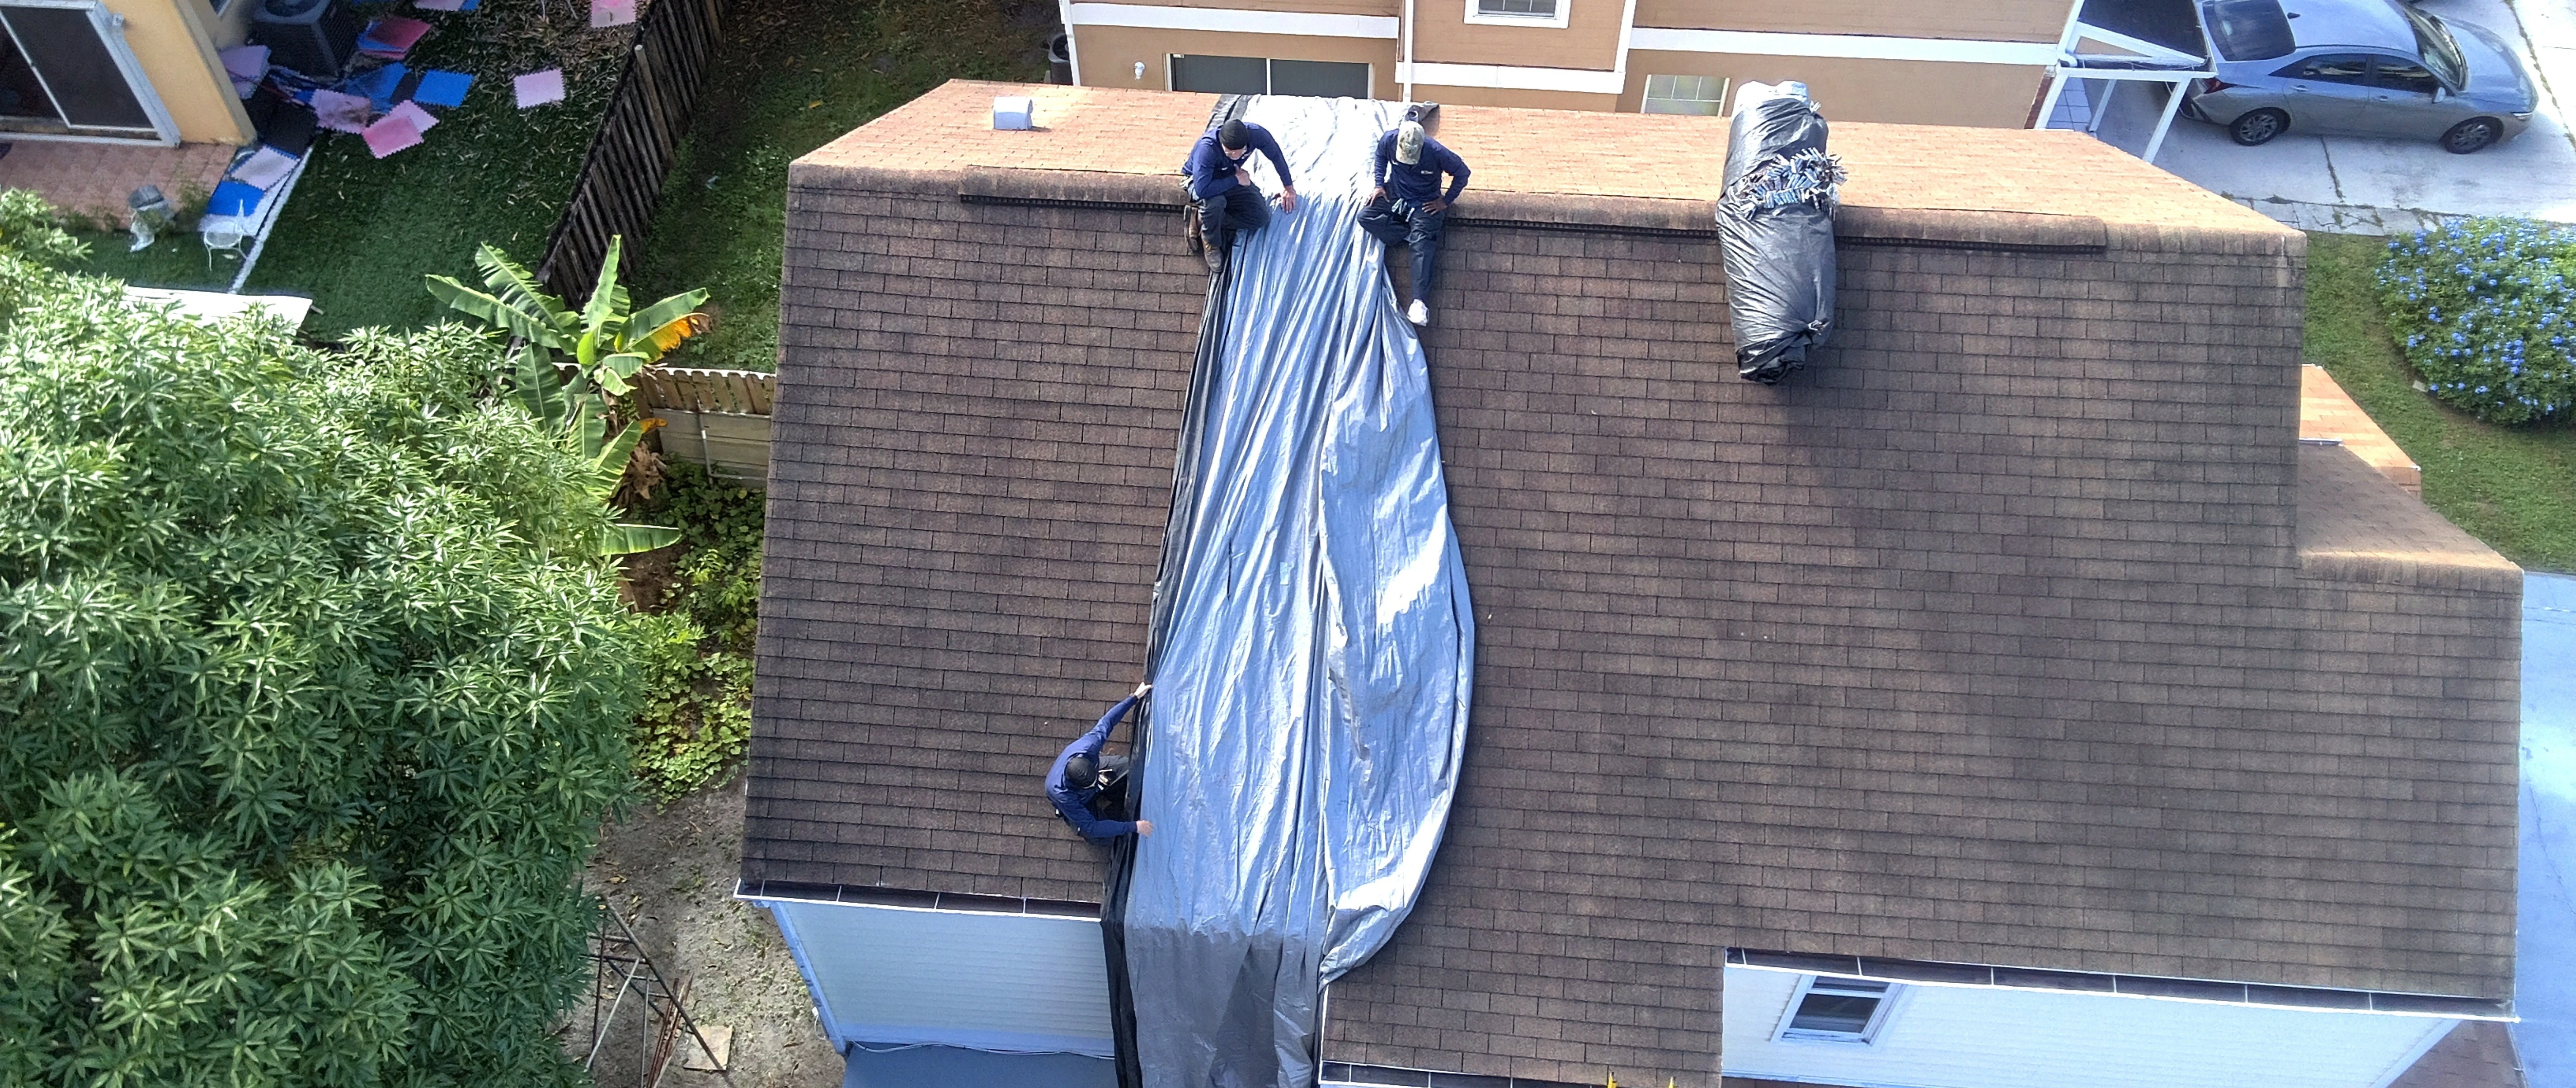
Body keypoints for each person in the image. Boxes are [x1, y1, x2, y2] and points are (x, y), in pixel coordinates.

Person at [1360, 119, 1470, 327]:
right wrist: (1379, 185)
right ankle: (1407, 235)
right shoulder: (1389, 139)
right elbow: (1380, 156)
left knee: (1422, 248)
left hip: (1425, 202)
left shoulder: (1437, 152)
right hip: (1397, 194)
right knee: (1366, 216)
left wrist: (1445, 201)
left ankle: (1419, 303)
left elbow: (1463, 173)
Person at [1182, 119, 1298, 274]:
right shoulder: (1207, 148)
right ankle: (1211, 242)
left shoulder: (1257, 134)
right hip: (1200, 181)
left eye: (1239, 152)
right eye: (1229, 153)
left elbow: (1276, 156)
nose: (1235, 156)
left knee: (1260, 217)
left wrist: (1289, 188)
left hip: (1229, 175)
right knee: (1216, 202)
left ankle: (1201, 218)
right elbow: (1203, 190)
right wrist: (1236, 180)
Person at [1046, 681, 1156, 843]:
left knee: (1131, 768)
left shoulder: (1088, 747)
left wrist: (1134, 698)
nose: (1095, 785)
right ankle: (1115, 814)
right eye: (1091, 786)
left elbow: (1108, 722)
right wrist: (1134, 826)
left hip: (1096, 771)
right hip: (1081, 803)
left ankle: (1109, 788)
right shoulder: (1063, 795)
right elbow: (1094, 827)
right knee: (1103, 838)